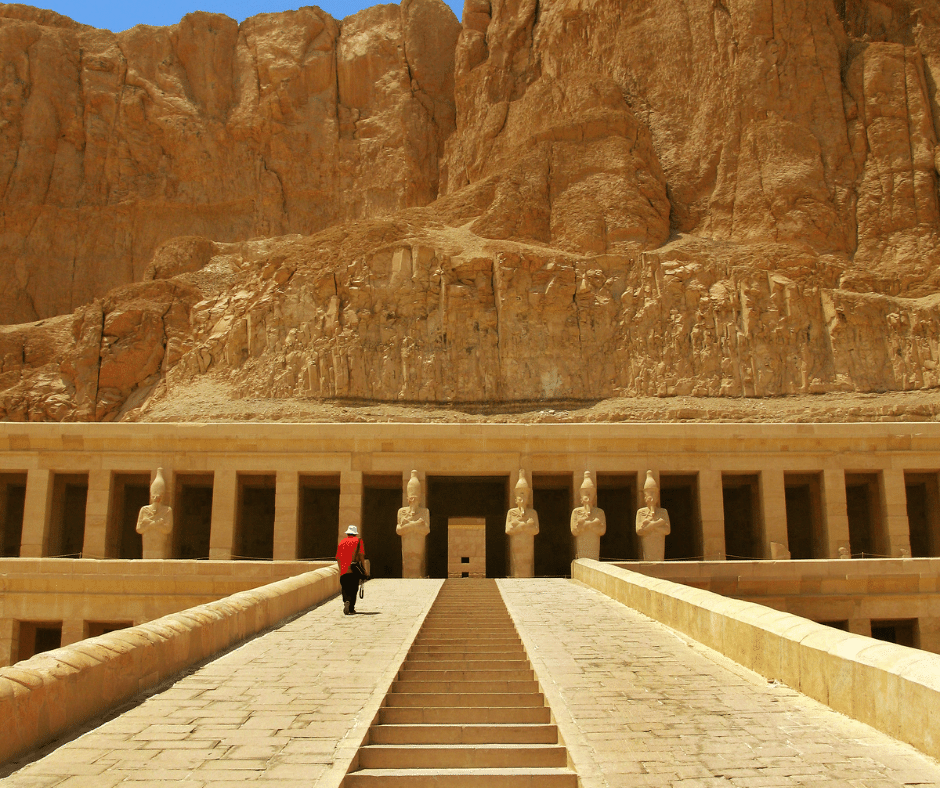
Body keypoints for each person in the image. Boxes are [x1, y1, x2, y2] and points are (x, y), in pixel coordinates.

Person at [336, 525, 365, 615]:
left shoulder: (342, 542)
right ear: (355, 533)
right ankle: (351, 608)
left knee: (345, 588)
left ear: (347, 533)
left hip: (344, 570)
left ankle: (346, 601)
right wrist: (364, 569)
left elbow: (337, 557)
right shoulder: (358, 541)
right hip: (353, 569)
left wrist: (341, 569)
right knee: (353, 589)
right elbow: (361, 555)